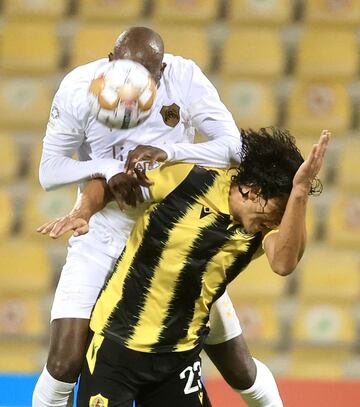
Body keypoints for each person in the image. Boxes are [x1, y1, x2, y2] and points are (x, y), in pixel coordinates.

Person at [33, 26, 283, 407]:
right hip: (107, 232)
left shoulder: (184, 77)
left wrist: (170, 150)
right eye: (126, 70)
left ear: (161, 69)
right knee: (64, 361)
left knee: (239, 369)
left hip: (174, 238)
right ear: (110, 60)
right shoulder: (77, 88)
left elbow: (234, 148)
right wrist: (108, 168)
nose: (134, 87)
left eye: (149, 74)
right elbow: (49, 171)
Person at [41, 128, 330, 406]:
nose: (277, 223)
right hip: (116, 349)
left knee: (242, 372)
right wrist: (84, 211)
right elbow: (113, 181)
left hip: (177, 360)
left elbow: (283, 263)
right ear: (253, 191)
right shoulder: (187, 179)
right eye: (277, 212)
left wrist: (300, 192)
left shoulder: (260, 231)